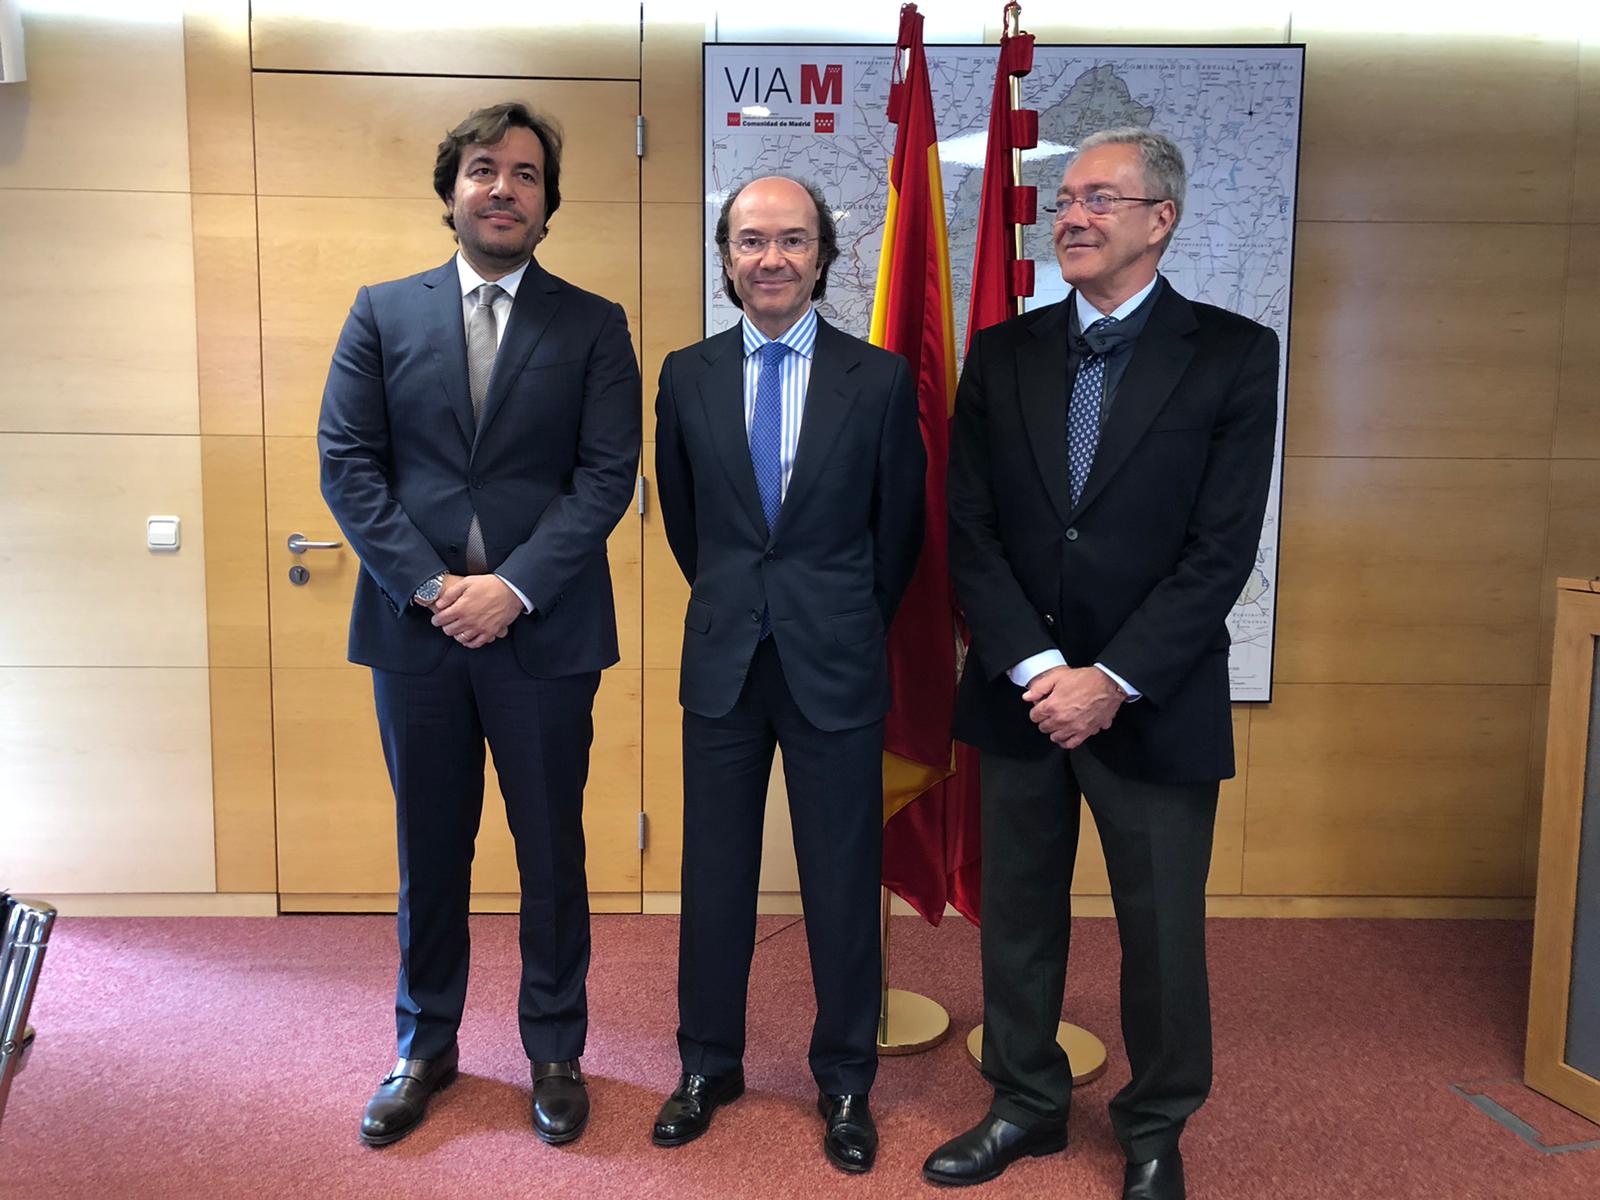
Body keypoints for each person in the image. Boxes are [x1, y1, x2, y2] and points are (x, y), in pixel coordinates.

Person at [924, 128, 1279, 1200]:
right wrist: (1040, 668)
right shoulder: (1004, 353)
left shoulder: (1232, 353)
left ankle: (1155, 1127)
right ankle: (1024, 1103)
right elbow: (970, 530)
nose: (1070, 215)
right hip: (1023, 697)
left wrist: (1109, 679)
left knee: (1161, 930)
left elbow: (1220, 550)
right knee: (1018, 916)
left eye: (1099, 198)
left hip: (1152, 700)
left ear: (1161, 219)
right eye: (1064, 197)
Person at [318, 101, 641, 1149]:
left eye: (527, 175)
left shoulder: (592, 324)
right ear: (451, 190)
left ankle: (555, 1049)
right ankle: (424, 1046)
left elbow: (605, 478)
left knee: (550, 848)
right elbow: (348, 464)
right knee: (430, 847)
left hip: (543, 634)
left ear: (548, 204)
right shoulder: (381, 312)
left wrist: (512, 586)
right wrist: (429, 586)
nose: (504, 189)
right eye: (484, 170)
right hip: (414, 637)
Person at [649, 175, 925, 1173]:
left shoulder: (879, 380)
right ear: (727, 258)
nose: (772, 258)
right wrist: (743, 601)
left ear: (821, 257)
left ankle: (845, 1080)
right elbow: (691, 527)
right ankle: (706, 1066)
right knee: (713, 875)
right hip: (725, 659)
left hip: (834, 659)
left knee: (842, 880)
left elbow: (897, 534)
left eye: (793, 240)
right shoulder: (685, 375)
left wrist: (834, 615)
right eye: (752, 240)